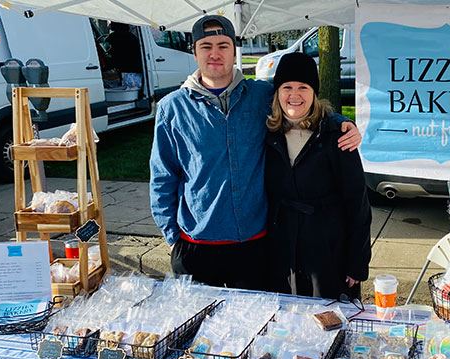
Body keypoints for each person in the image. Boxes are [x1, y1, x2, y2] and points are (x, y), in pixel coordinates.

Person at [149, 16, 361, 289]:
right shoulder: (172, 108)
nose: (215, 54)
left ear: (234, 50)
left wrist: (340, 123)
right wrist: (171, 237)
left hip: (254, 246)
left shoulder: (260, 95)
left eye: (223, 45)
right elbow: (162, 178)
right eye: (206, 46)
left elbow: (299, 100)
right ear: (195, 52)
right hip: (196, 247)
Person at [264, 52, 372, 300]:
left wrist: (357, 262)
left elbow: (358, 203)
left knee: (327, 320)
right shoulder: (269, 134)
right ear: (277, 92)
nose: (294, 95)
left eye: (303, 87)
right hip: (282, 249)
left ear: (314, 93)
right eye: (287, 87)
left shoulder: (336, 135)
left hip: (327, 250)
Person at [105, 22, 143, 89]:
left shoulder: (113, 37)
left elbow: (109, 51)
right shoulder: (133, 37)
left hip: (123, 66)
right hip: (134, 67)